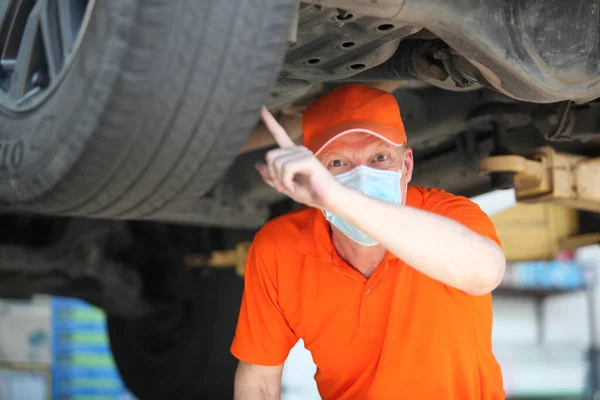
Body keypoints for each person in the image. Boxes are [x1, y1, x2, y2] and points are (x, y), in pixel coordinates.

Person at [230, 83, 506, 400]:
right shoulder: (279, 248)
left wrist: (337, 197)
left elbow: (486, 272)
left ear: (407, 166)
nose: (361, 177)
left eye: (379, 157)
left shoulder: (450, 217)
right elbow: (259, 379)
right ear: (311, 174)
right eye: (338, 163)